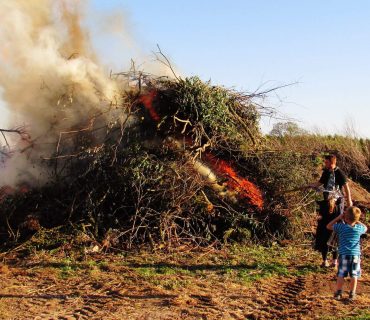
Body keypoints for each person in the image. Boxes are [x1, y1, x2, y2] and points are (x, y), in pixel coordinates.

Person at [302, 154, 353, 267]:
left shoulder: (339, 173)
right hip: (326, 203)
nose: (325, 163)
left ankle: (335, 260)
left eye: (326, 162)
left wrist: (349, 203)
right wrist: (309, 186)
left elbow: (346, 188)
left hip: (337, 204)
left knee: (336, 230)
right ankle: (325, 260)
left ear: (332, 162)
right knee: (324, 228)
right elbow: (319, 183)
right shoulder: (326, 173)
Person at [327, 206, 367, 300]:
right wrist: (357, 220)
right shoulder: (359, 228)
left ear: (346, 218)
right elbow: (365, 227)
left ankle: (339, 292)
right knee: (354, 274)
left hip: (344, 254)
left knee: (341, 273)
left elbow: (328, 226)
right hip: (356, 254)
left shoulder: (341, 227)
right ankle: (352, 293)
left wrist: (338, 218)